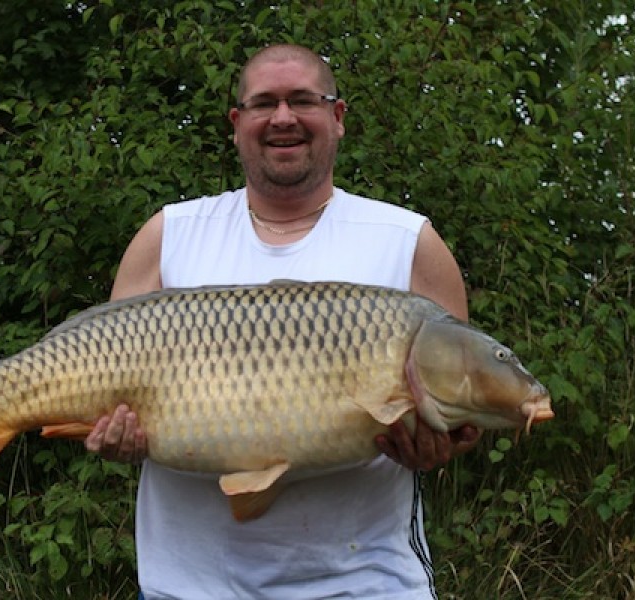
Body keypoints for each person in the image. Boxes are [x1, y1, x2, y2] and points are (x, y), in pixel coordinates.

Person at [85, 44, 480, 599]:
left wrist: (440, 444)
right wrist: (111, 434)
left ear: (337, 117)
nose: (284, 118)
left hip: (364, 584)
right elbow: (105, 395)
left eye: (303, 100)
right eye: (263, 103)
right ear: (237, 123)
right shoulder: (168, 235)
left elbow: (460, 407)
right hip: (188, 586)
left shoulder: (410, 243)